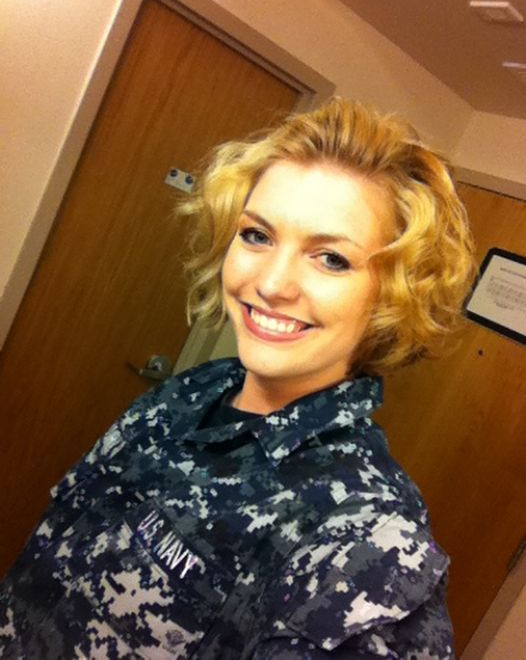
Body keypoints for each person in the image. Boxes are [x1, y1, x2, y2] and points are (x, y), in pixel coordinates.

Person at [0, 98, 475, 658]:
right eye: (257, 235)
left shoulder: (368, 542)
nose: (271, 284)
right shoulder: (195, 390)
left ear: (394, 297)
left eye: (331, 259)